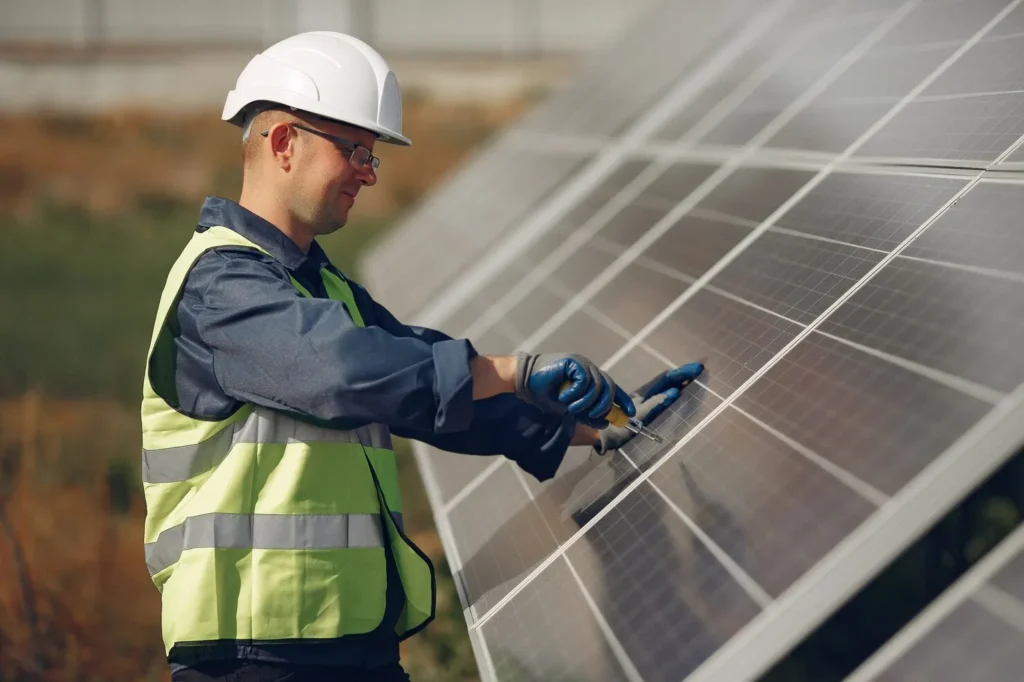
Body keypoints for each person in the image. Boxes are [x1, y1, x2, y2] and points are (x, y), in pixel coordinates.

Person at [139, 31, 704, 682]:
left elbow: (417, 384)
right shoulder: (222, 286)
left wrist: (590, 428)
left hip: (352, 647)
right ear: (285, 143)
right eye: (354, 150)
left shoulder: (319, 287)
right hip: (252, 659)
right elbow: (344, 371)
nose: (369, 171)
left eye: (372, 155)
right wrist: (515, 371)